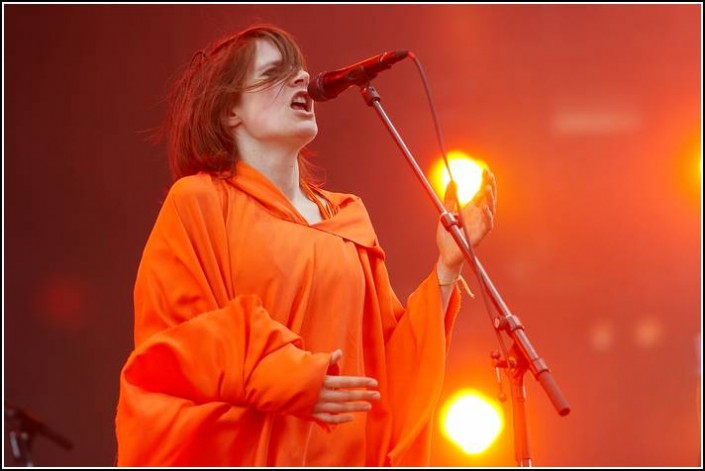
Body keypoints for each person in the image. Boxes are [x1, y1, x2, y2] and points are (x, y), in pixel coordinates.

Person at [115, 24, 497, 467]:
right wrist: (287, 375)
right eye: (275, 73)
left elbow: (388, 373)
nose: (301, 79)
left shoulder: (348, 217)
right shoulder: (199, 202)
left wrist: (447, 269)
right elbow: (180, 343)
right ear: (230, 112)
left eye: (299, 70)